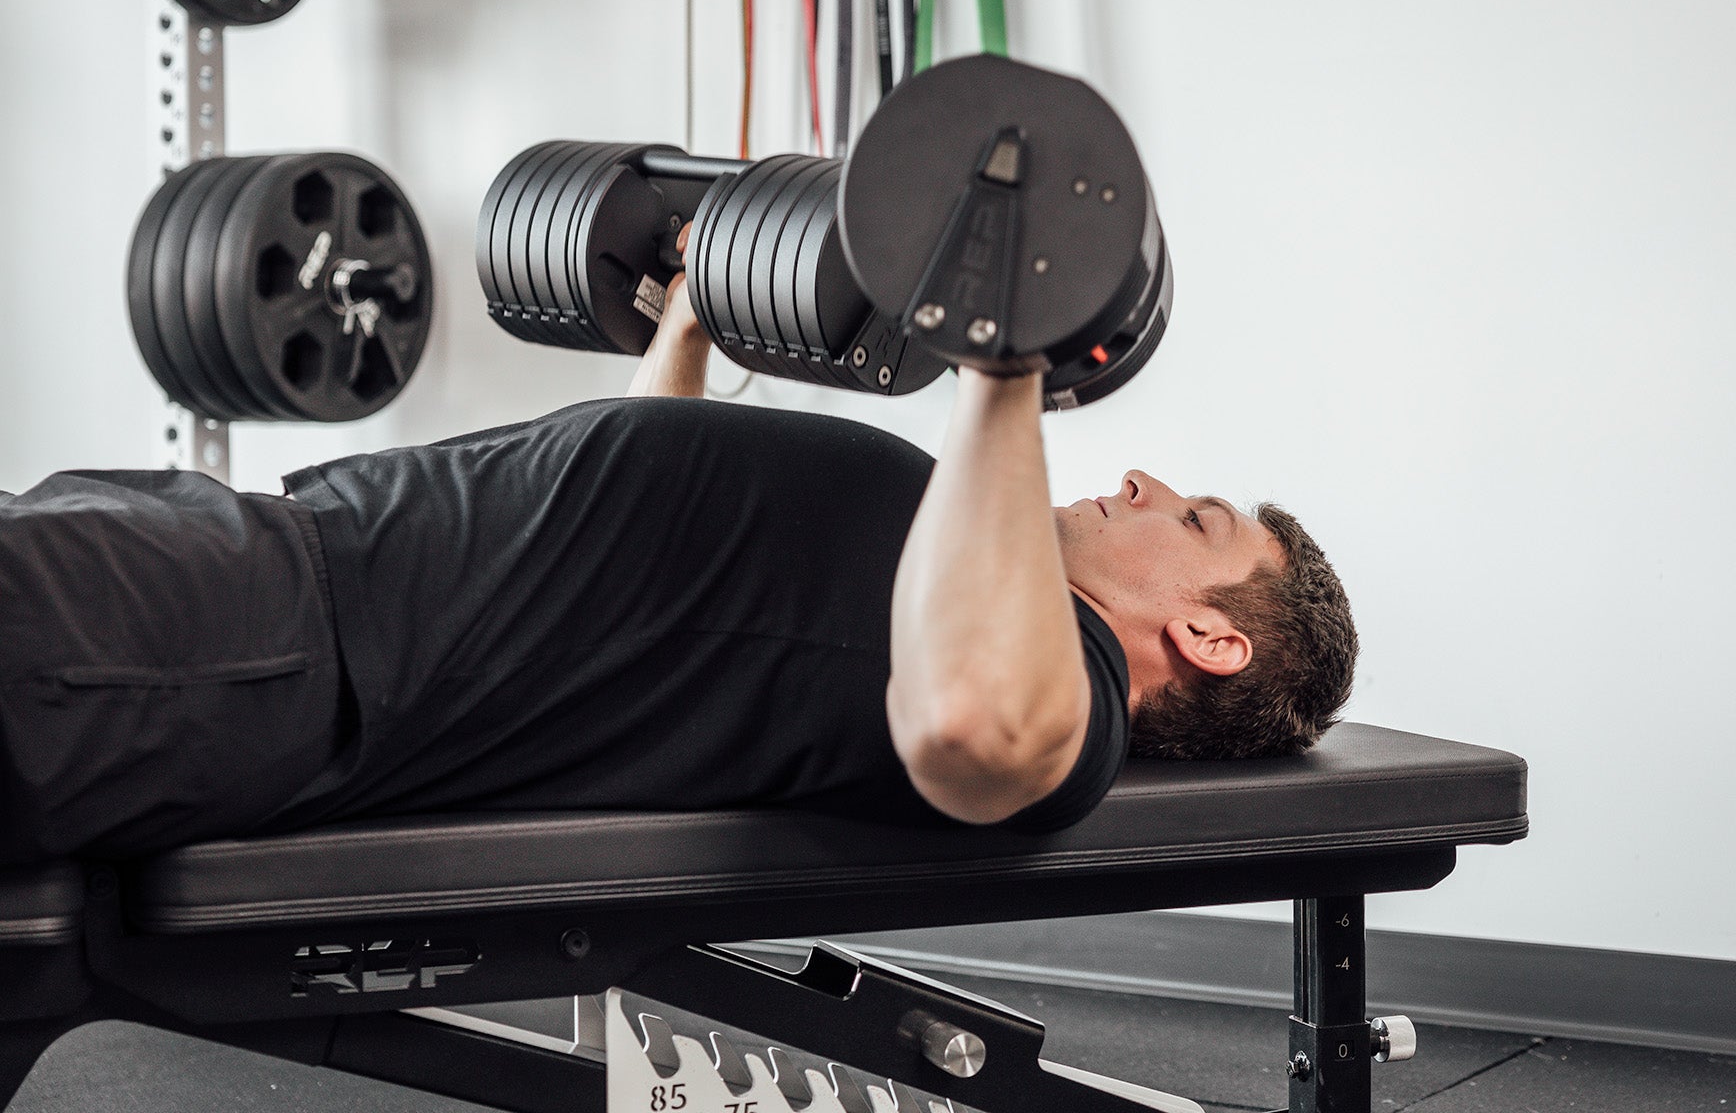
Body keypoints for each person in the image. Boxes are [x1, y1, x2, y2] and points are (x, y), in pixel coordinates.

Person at [0, 237, 1356, 865]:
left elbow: (985, 732)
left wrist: (1002, 368)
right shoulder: (970, 588)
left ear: (1212, 638)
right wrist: (692, 325)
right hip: (269, 558)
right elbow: (643, 554)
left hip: (297, 645)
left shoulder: (1062, 705)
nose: (1144, 482)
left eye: (1194, 519)